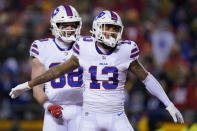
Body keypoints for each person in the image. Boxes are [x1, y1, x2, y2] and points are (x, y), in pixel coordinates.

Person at [10, 10, 184, 131]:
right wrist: (27, 84)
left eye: (115, 28)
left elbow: (147, 79)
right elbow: (58, 71)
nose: (112, 32)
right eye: (108, 27)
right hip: (89, 116)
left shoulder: (126, 50)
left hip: (117, 115)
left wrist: (169, 104)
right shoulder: (84, 47)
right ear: (97, 28)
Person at [28, 5, 83, 131]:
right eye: (64, 25)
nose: (70, 28)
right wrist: (49, 106)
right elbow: (37, 89)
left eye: (73, 24)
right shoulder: (42, 47)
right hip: (54, 110)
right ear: (55, 26)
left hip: (83, 109)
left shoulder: (87, 45)